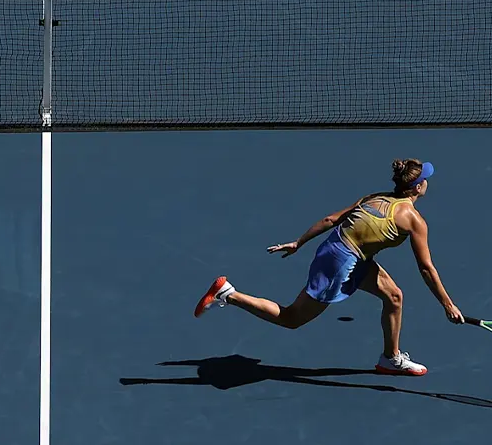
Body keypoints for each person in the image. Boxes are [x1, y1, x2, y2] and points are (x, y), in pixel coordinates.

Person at [192, 158, 463, 376]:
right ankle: (228, 294)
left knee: (394, 296)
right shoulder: (413, 220)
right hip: (340, 262)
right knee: (291, 318)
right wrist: (448, 304)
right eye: (424, 178)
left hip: (343, 250)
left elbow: (331, 219)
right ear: (416, 188)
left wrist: (299, 242)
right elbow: (426, 268)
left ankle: (389, 358)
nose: (427, 181)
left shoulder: (375, 197)